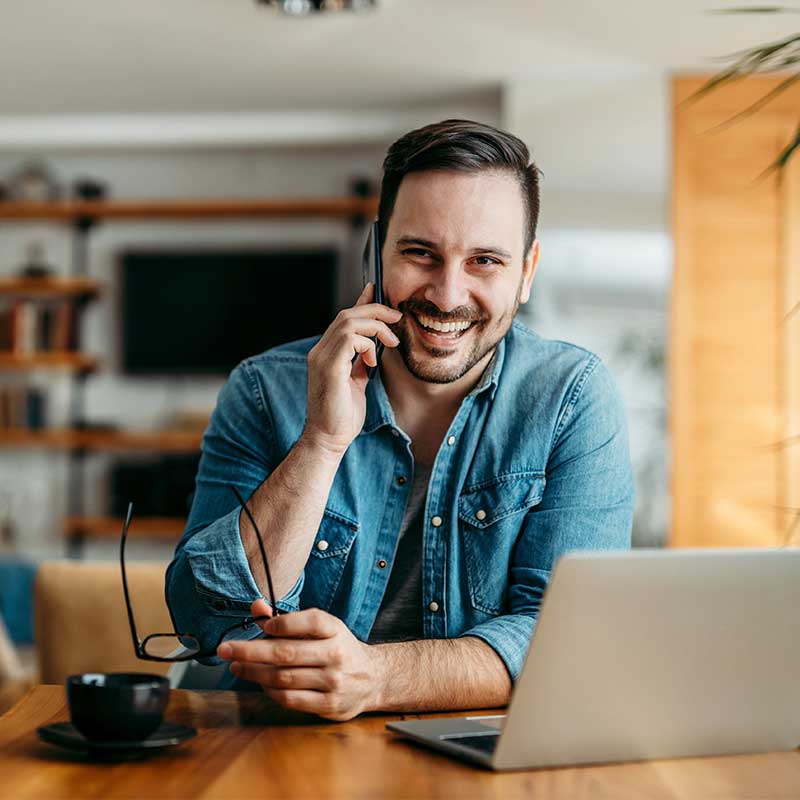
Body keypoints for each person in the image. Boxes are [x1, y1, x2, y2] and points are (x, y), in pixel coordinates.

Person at [165, 119, 634, 721]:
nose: (446, 293)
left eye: (485, 260)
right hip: (273, 745)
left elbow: (572, 641)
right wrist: (322, 441)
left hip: (470, 752)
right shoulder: (264, 389)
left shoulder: (571, 397)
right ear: (376, 251)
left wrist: (377, 676)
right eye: (420, 253)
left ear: (527, 271)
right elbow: (204, 620)